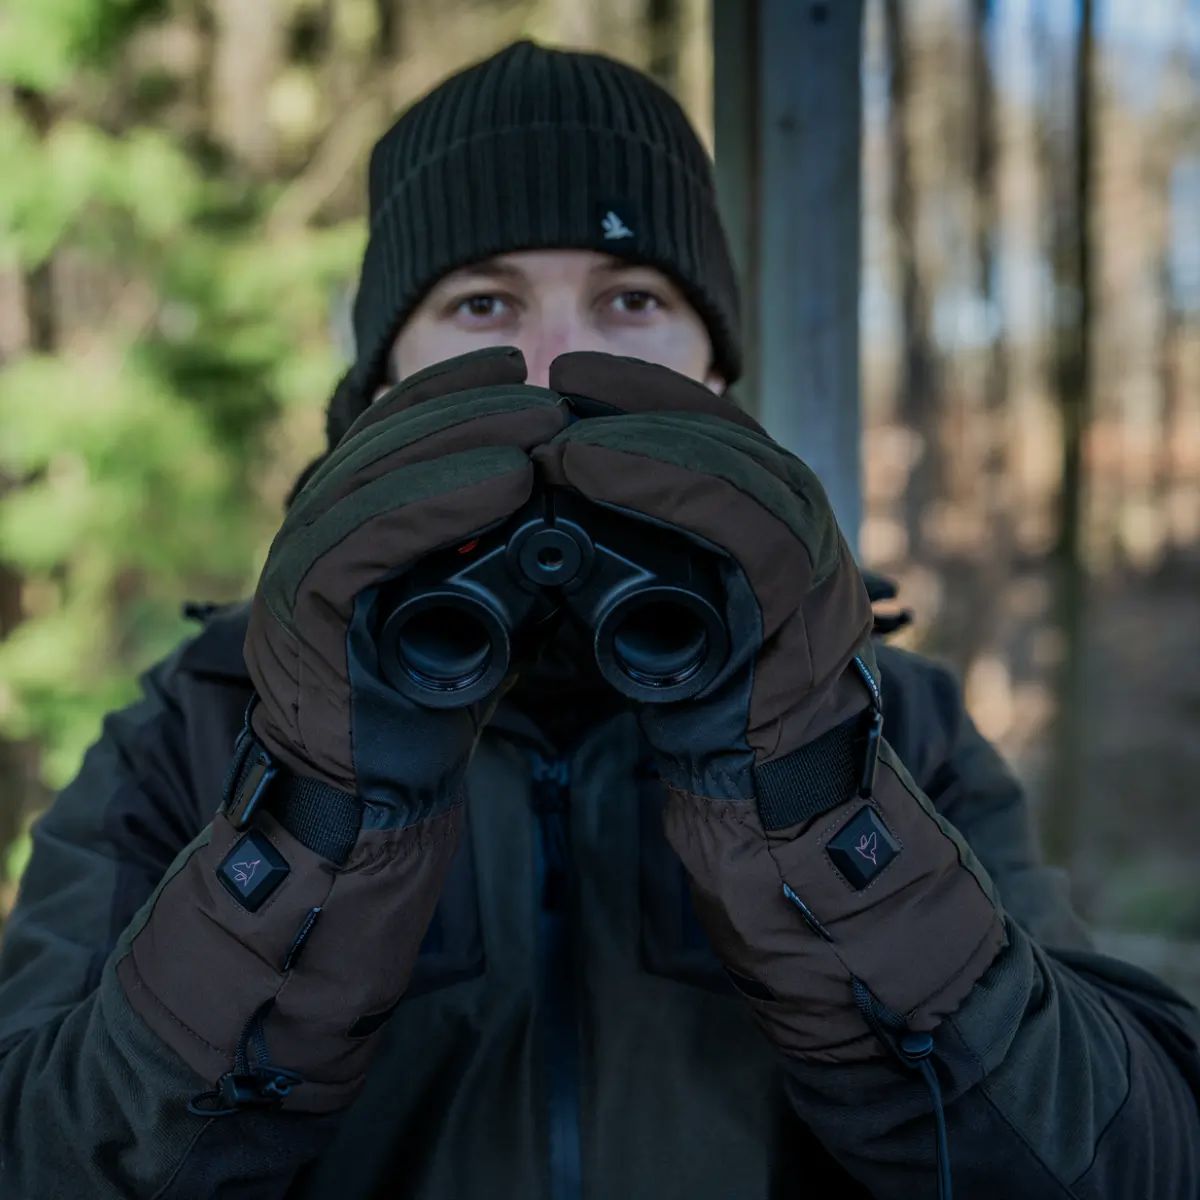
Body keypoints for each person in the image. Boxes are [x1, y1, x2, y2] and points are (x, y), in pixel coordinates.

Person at [0, 39, 1196, 1200]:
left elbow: (1132, 1160)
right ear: (376, 386)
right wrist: (317, 800)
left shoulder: (894, 717)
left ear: (717, 380)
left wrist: (807, 781)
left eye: (631, 298)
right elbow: (41, 1158)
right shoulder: (204, 721)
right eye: (483, 305)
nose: (557, 356)